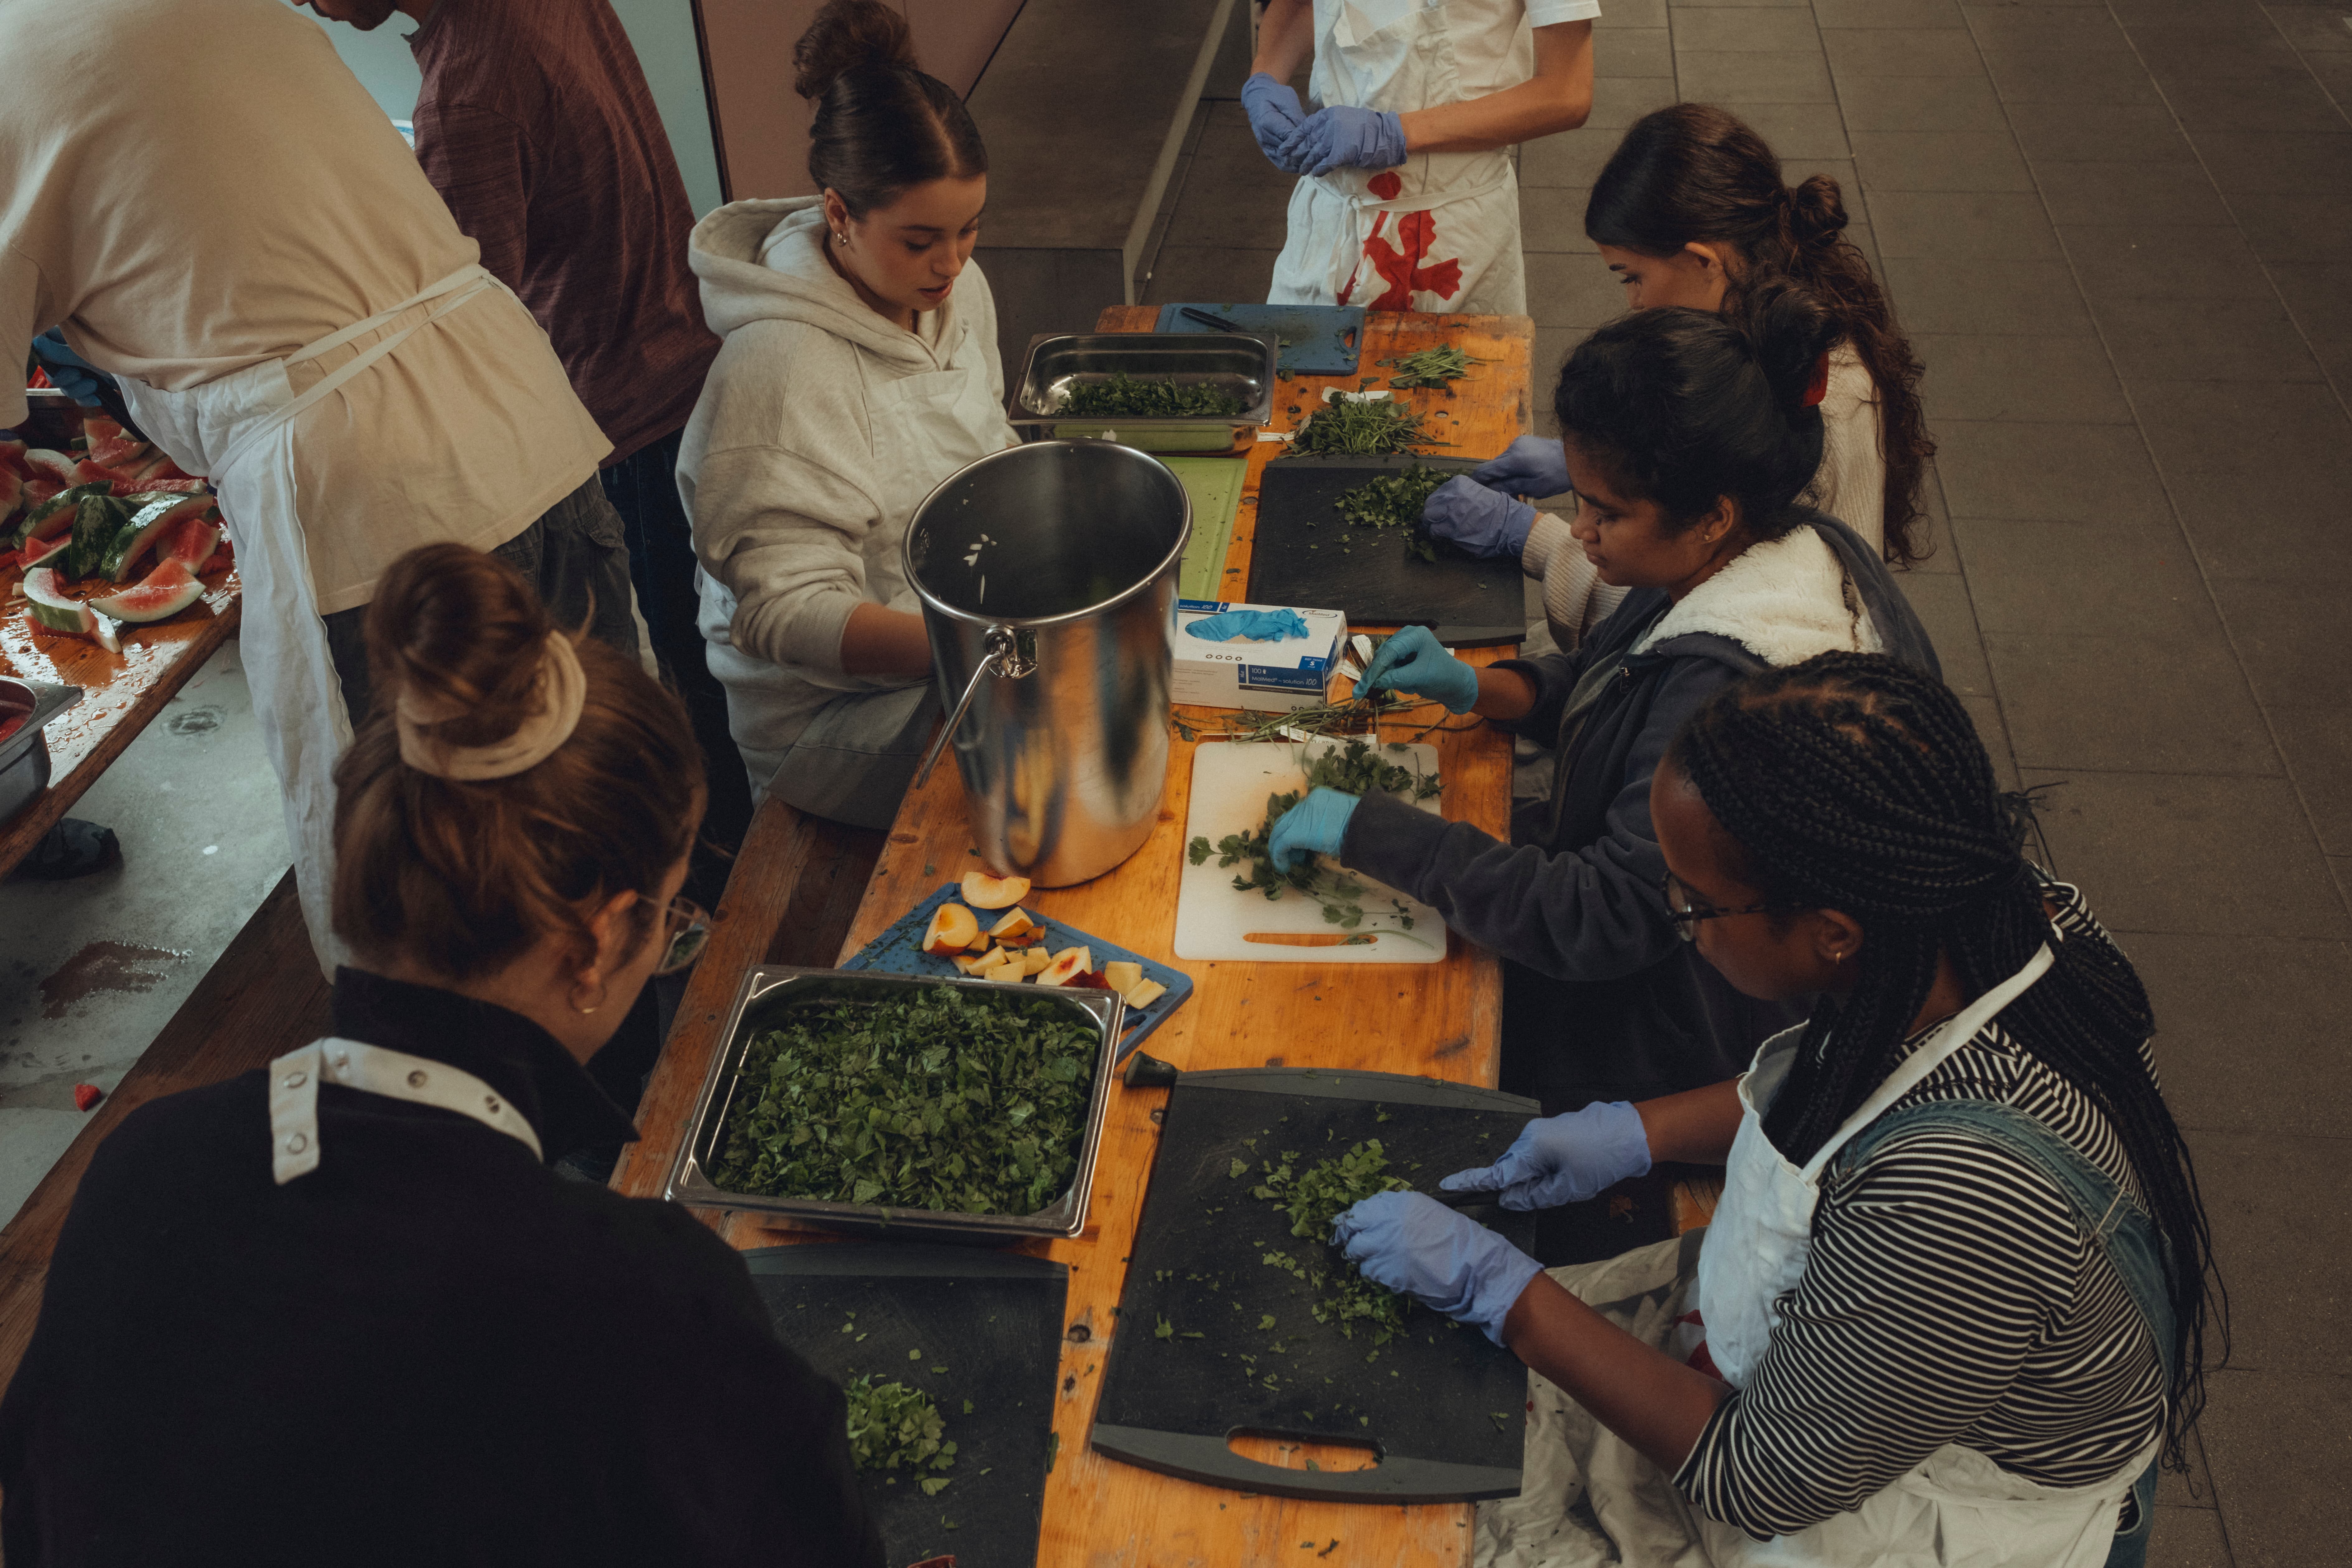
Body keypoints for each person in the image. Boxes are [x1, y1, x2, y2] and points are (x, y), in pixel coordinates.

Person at [0, 543, 883, 1568]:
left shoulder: (147, 1164)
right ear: (597, 938)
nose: (662, 943)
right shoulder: (635, 1298)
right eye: (672, 917)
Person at [1330, 652, 2222, 1568]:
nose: (1675, 910)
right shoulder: (1990, 923)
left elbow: (1759, 1472)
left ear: (1832, 930)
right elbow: (1864, 1078)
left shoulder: (1956, 1199)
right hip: (1887, 1359)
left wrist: (1505, 1293)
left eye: (1693, 902)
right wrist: (1645, 1128)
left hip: (1925, 1508)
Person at [1, 0, 632, 973]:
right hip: (525, 414)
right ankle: (653, 1096)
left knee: (445, 915)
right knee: (604, 824)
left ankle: (510, 1122)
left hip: (368, 503)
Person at [1267, 285, 1940, 1140]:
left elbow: (1597, 917)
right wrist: (1487, 689)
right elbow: (1613, 681)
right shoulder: (1773, 549)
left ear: (1711, 519)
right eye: (1578, 498)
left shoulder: (1729, 693)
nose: (1576, 530)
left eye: (1605, 511)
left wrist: (1375, 832)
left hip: (1704, 1022)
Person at [299, 0, 752, 861]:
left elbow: (471, 328)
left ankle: (714, 912)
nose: (306, 5)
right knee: (709, 660)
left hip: (616, 416)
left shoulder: (463, 97)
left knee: (663, 699)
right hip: (688, 355)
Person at [1424, 102, 1934, 652]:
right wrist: (1608, 467)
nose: (1635, 304)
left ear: (1704, 260)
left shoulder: (1817, 401)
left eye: (1633, 277)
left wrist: (1536, 542)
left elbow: (1710, 618)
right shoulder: (1766, 330)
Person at [680, 0, 1014, 829]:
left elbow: (987, 438)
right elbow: (781, 613)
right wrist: (986, 642)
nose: (950, 262)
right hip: (831, 726)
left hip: (967, 647)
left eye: (969, 229)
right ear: (838, 214)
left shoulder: (956, 289)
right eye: (919, 239)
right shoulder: (781, 370)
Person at [1243, 0, 1596, 314]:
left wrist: (1395, 133)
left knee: (1457, 383)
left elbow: (1566, 93)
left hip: (1452, 231)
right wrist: (1265, 77)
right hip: (1327, 218)